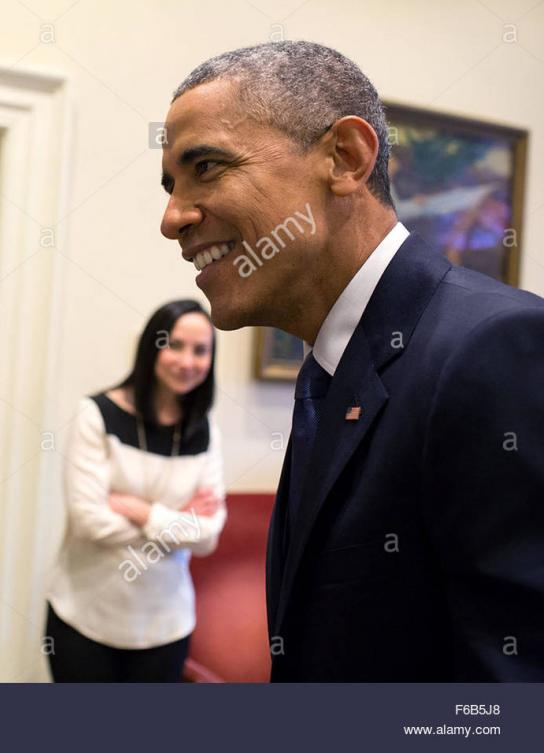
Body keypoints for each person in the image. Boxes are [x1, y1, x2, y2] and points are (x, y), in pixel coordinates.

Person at [160, 41, 544, 680]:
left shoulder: (494, 348)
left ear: (346, 158)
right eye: (172, 184)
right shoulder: (333, 369)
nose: (173, 218)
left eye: (206, 166)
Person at [45, 300, 226, 682]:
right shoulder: (97, 415)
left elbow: (208, 536)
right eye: (174, 345)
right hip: (84, 618)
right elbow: (88, 523)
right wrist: (179, 520)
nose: (187, 361)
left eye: (200, 350)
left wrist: (144, 513)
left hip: (166, 626)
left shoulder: (206, 432)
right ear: (151, 346)